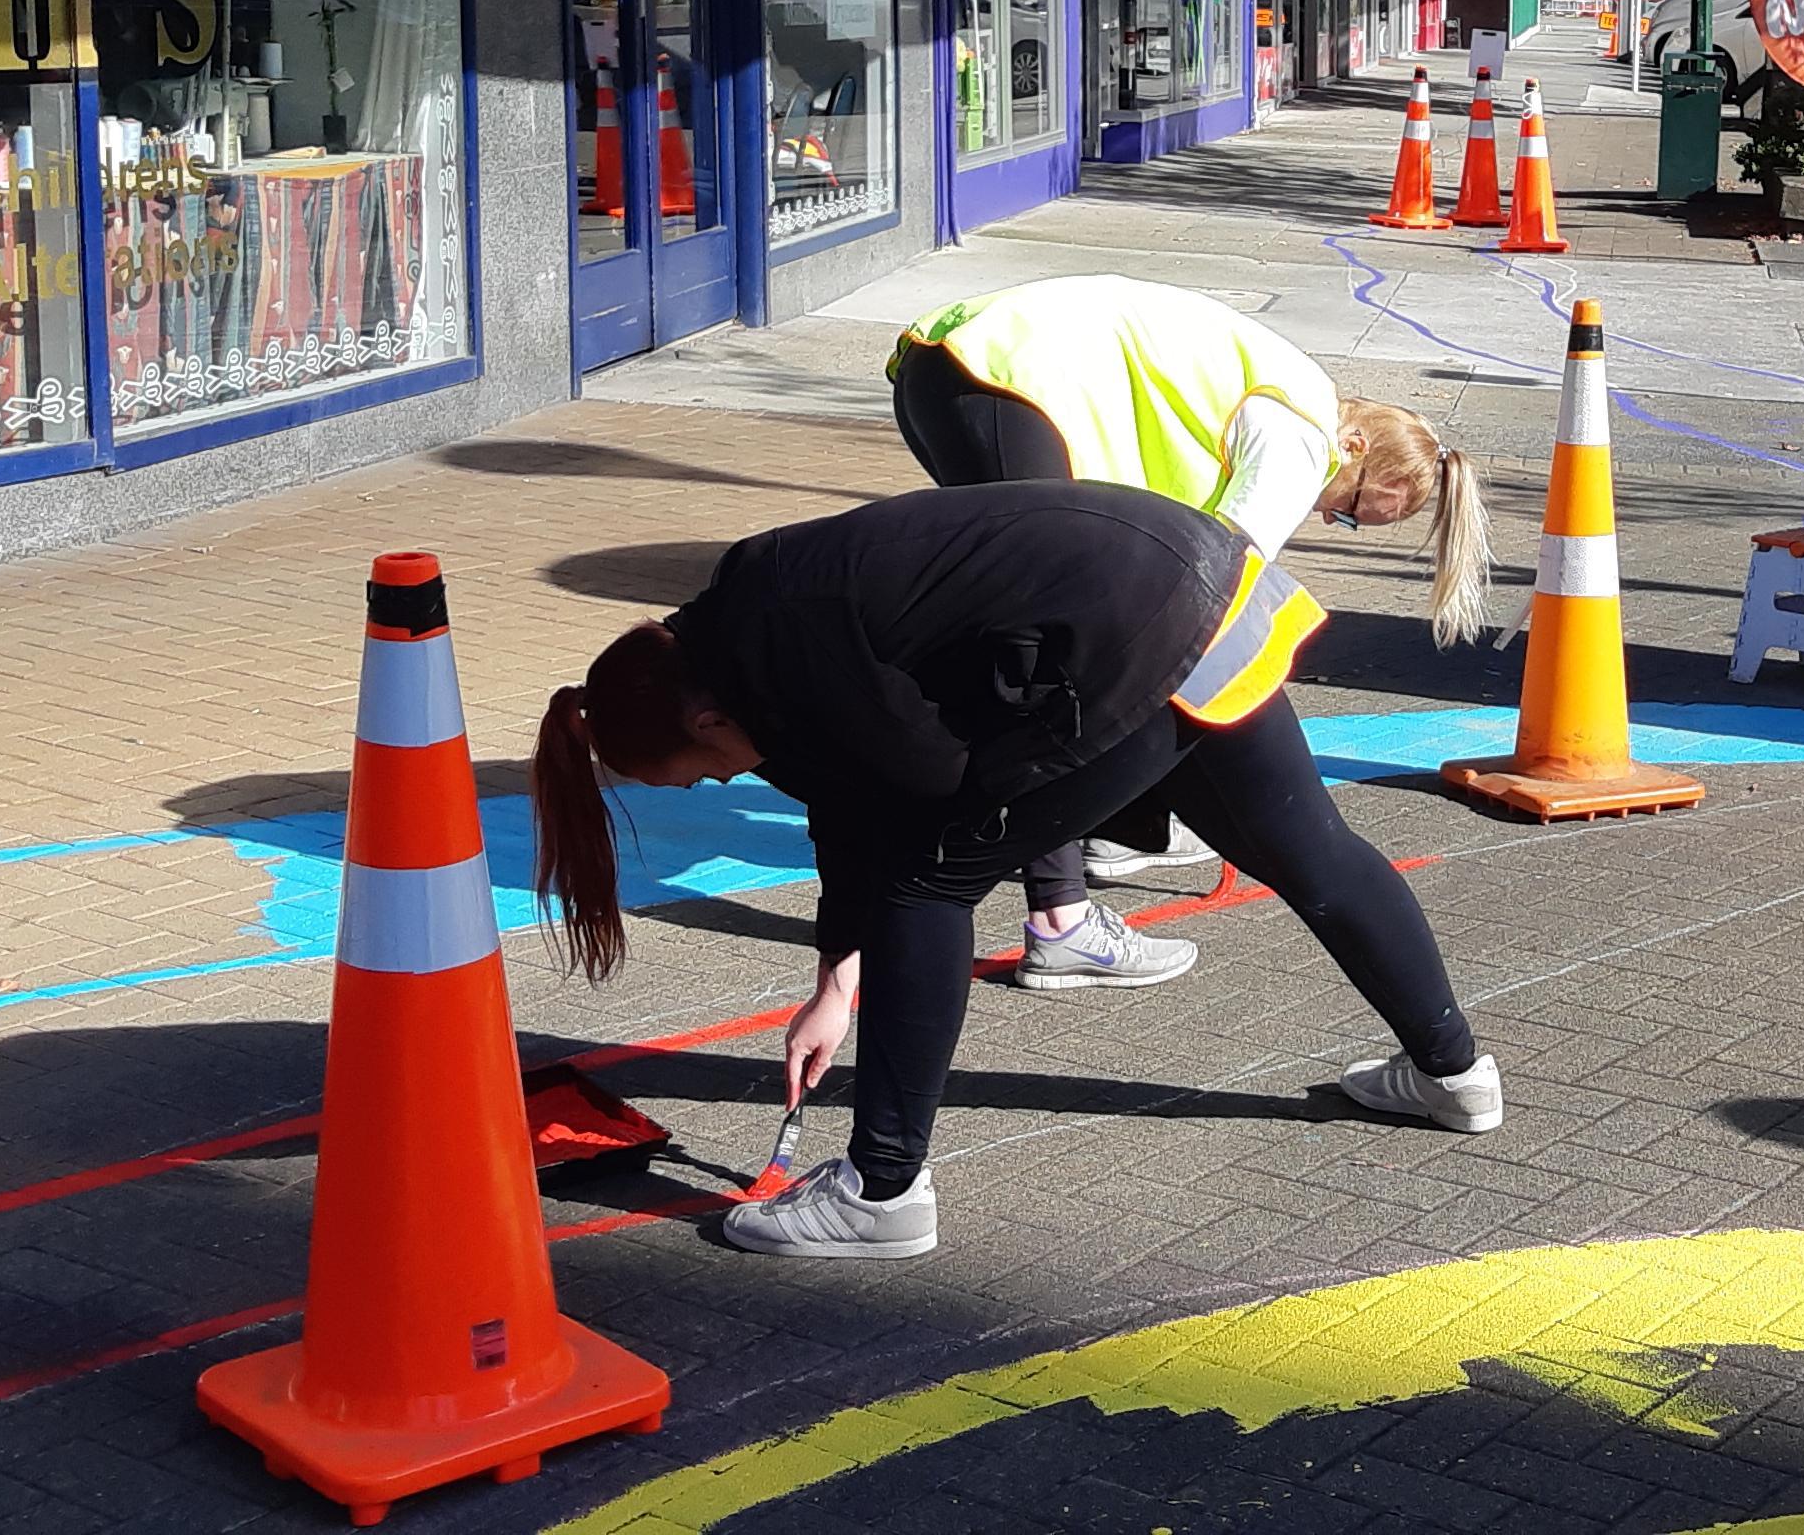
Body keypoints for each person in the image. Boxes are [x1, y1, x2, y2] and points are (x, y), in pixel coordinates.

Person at [530, 481, 1501, 1260]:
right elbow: (842, 788)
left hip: (1132, 634)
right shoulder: (740, 631)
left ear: (702, 720)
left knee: (925, 879)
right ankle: (1454, 1073)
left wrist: (896, 903)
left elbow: (916, 782)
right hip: (1204, 575)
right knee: (1313, 849)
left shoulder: (784, 635)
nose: (724, 779)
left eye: (703, 771)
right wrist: (837, 978)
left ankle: (881, 1191)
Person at [885, 275, 1490, 992]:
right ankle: (1060, 920)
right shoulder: (1302, 440)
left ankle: (1096, 836)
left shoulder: (1284, 398)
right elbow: (1219, 595)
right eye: (1354, 509)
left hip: (952, 363)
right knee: (1040, 641)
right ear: (1355, 446)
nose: (1332, 521)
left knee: (1046, 619)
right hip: (1007, 377)